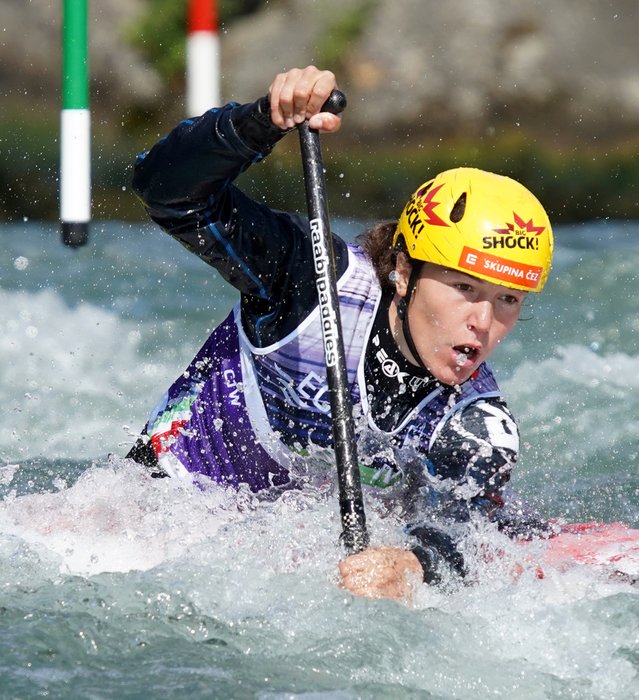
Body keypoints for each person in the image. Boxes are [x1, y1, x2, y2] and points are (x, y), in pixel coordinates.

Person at [127, 66, 554, 603]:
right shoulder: (307, 280)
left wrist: (413, 565)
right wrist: (260, 123)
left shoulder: (479, 429)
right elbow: (166, 192)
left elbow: (461, 535)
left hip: (287, 569)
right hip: (158, 515)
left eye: (508, 300)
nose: (484, 322)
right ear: (403, 271)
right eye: (465, 288)